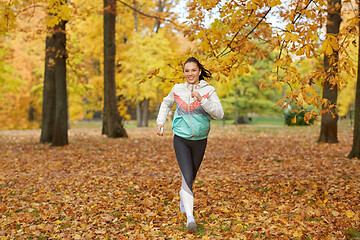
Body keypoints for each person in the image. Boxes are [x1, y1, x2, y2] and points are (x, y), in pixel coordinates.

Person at [156, 57, 224, 232]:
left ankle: (184, 199)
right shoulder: (177, 89)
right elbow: (166, 103)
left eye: (193, 70)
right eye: (187, 71)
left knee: (190, 178)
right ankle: (190, 218)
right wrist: (160, 122)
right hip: (181, 139)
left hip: (200, 140)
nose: (190, 74)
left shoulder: (209, 90)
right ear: (184, 73)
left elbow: (219, 114)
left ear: (199, 71)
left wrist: (202, 100)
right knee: (186, 176)